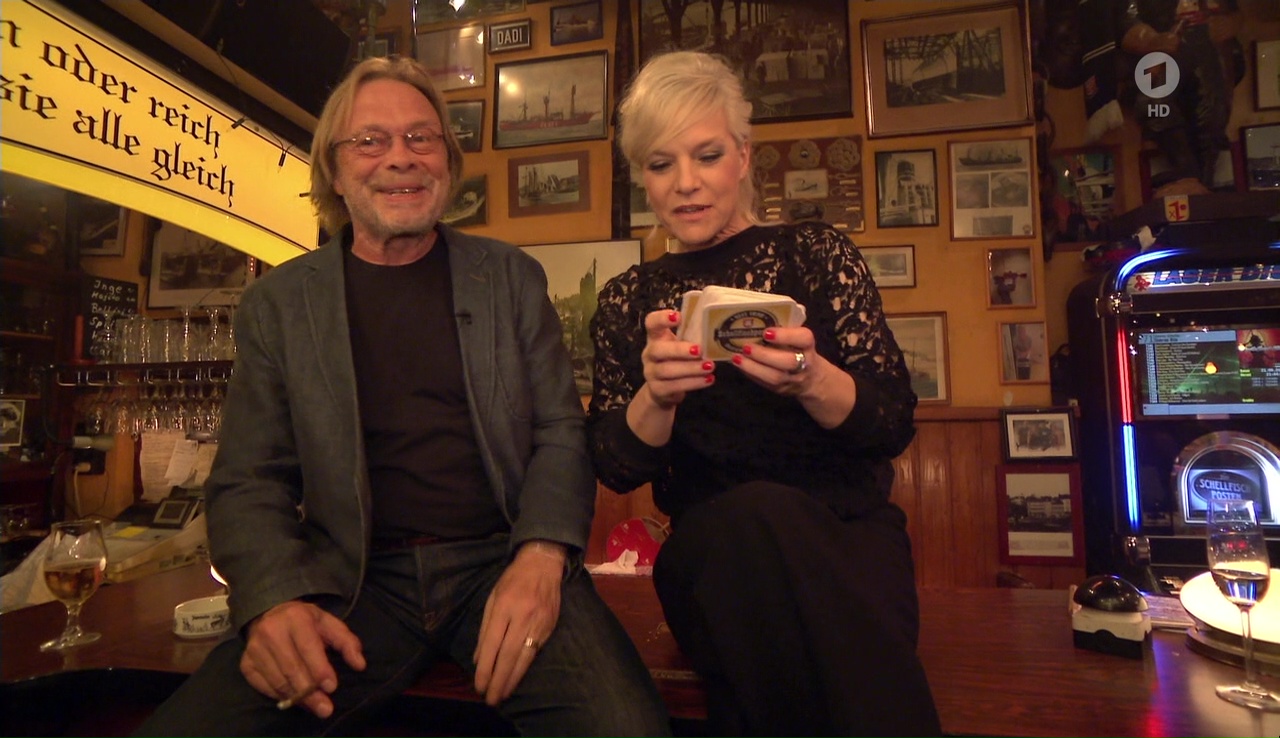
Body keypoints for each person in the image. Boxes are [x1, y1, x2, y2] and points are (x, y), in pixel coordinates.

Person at [133, 55, 671, 738]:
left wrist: (542, 558)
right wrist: (272, 600)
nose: (401, 157)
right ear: (334, 170)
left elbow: (561, 432)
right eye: (370, 140)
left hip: (502, 559)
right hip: (351, 581)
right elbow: (248, 480)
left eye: (422, 137)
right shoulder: (278, 304)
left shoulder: (510, 278)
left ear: (447, 160)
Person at [588, 51, 942, 738]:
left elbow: (892, 421)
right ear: (642, 178)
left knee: (769, 663)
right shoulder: (629, 300)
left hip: (849, 546)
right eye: (660, 164)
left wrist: (812, 379)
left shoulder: (816, 255)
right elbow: (616, 466)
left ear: (744, 156)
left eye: (708, 155)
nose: (686, 183)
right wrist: (656, 397)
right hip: (712, 558)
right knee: (754, 517)